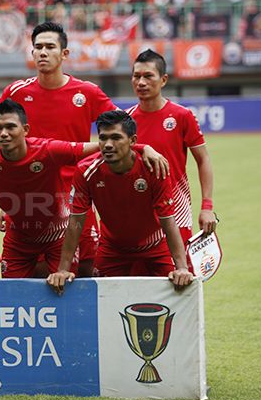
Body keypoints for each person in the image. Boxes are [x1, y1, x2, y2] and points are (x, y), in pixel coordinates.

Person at [0, 100, 167, 279]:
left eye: (10, 127)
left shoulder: (48, 150)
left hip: (57, 235)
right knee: (12, 297)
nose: (3, 133)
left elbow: (100, 146)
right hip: (18, 237)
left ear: (26, 130)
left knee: (65, 291)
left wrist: (143, 147)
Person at [0, 22, 118, 277]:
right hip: (29, 201)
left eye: (50, 47)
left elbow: (122, 130)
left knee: (86, 268)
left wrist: (144, 149)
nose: (43, 52)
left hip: (77, 198)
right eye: (37, 47)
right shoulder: (16, 93)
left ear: (64, 53)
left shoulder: (87, 93)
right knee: (31, 273)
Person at [46, 110, 193, 295]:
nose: (108, 145)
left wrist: (181, 267)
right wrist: (63, 269)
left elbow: (168, 220)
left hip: (156, 246)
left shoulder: (154, 168)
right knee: (104, 302)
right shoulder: (86, 171)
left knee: (180, 291)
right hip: (112, 249)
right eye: (103, 138)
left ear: (133, 141)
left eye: (116, 138)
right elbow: (75, 222)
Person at [126, 49, 216, 244]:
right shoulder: (124, 120)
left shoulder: (182, 116)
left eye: (148, 76)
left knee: (178, 272)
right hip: (134, 212)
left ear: (163, 80)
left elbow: (203, 159)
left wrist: (207, 206)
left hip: (176, 211)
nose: (141, 82)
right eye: (136, 76)